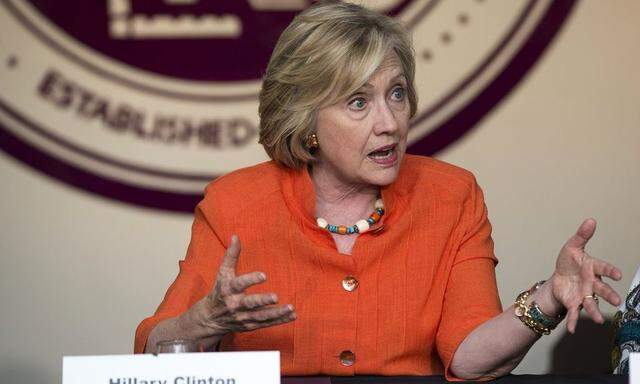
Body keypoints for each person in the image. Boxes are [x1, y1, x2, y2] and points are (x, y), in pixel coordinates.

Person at [135, 1, 622, 380]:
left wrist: (549, 299)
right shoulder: (235, 203)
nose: (389, 123)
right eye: (357, 102)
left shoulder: (452, 196)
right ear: (305, 120)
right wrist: (202, 323)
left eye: (396, 93)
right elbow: (150, 351)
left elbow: (469, 358)